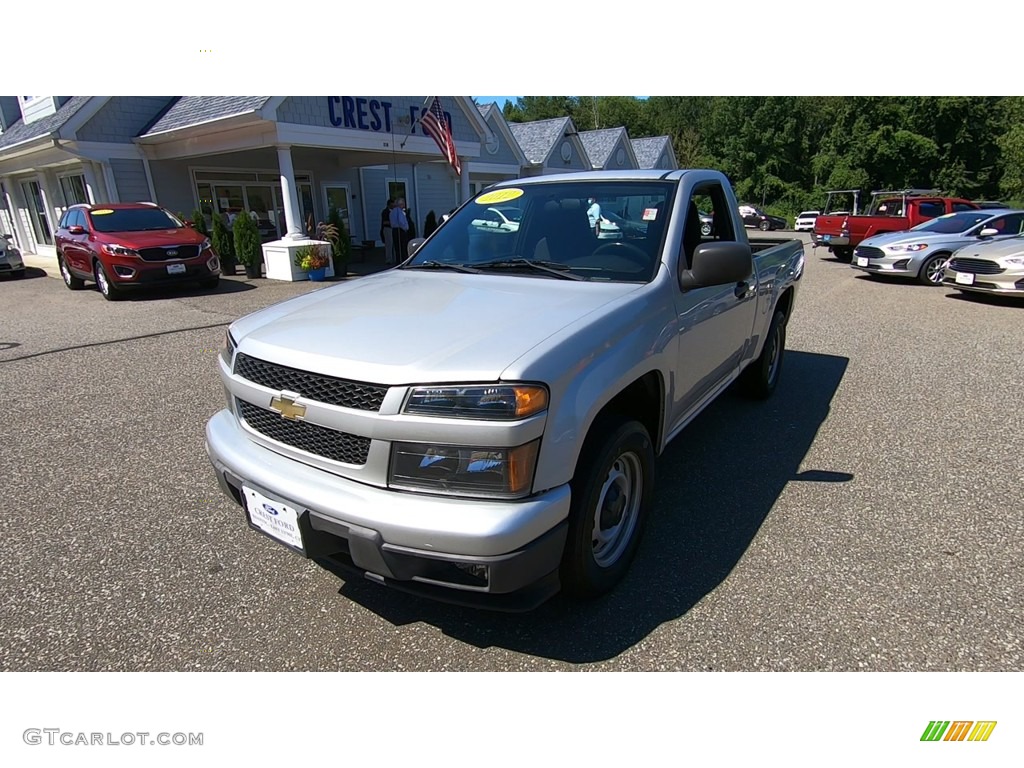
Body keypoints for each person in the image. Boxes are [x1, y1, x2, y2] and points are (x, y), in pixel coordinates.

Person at [388, 198, 410, 263]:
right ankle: (403, 261)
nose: (404, 205)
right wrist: (405, 228)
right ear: (400, 204)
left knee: (397, 247)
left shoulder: (391, 212)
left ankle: (398, 261)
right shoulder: (399, 211)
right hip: (400, 230)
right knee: (402, 247)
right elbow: (401, 222)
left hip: (394, 230)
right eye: (403, 204)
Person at [380, 198, 394, 262]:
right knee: (389, 245)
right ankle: (388, 259)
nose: (393, 206)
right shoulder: (385, 212)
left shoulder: (393, 211)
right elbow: (384, 222)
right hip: (387, 229)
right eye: (392, 204)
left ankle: (395, 259)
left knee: (394, 244)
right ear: (389, 205)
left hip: (393, 229)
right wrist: (393, 222)